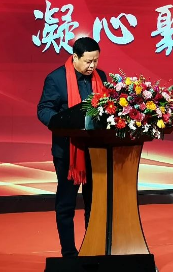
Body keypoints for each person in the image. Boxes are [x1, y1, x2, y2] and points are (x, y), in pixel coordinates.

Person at [37, 37, 107, 257]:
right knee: (66, 205)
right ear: (75, 57)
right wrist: (61, 123)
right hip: (68, 152)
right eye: (88, 61)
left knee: (94, 204)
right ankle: (69, 254)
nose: (92, 66)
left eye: (95, 61)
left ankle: (93, 248)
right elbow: (44, 109)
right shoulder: (56, 79)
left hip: (96, 150)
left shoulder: (102, 77)